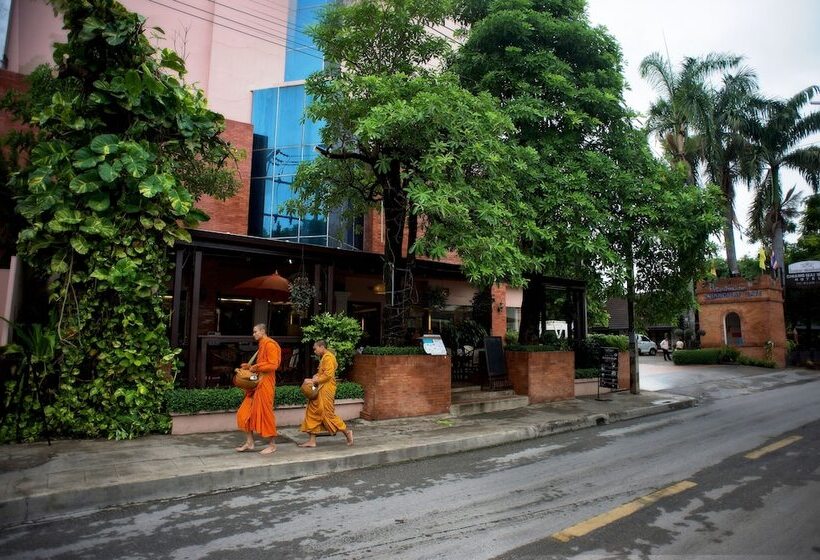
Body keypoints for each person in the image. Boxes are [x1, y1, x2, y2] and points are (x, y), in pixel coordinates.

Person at [297, 339, 354, 448]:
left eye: (315, 348)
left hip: (326, 389)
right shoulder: (324, 358)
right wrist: (315, 377)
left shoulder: (329, 358)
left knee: (328, 414)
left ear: (322, 347)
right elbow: (322, 373)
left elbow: (328, 375)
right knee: (312, 412)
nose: (314, 351)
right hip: (320, 388)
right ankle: (312, 441)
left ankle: (347, 432)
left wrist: (313, 381)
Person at [235, 323, 281, 455]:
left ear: (262, 331)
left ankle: (272, 445)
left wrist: (256, 367)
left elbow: (273, 365)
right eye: (253, 332)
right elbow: (263, 364)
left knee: (266, 414)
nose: (253, 334)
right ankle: (250, 442)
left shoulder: (270, 344)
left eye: (255, 332)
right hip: (257, 383)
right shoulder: (262, 344)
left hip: (265, 384)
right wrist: (250, 367)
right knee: (243, 413)